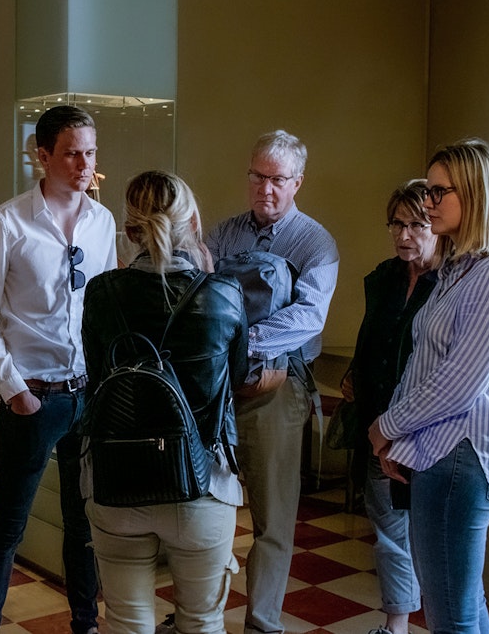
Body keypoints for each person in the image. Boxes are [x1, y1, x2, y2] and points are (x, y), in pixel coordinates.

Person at [0, 105, 117, 634]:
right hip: (33, 396)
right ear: (43, 155)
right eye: (73, 152)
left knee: (83, 526)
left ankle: (85, 624)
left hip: (87, 396)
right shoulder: (9, 221)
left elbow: (105, 308)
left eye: (91, 152)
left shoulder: (103, 222)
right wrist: (13, 391)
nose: (84, 163)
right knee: (8, 526)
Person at [80, 170, 248, 634]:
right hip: (203, 483)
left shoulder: (101, 293)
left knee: (126, 622)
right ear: (192, 221)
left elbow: (98, 381)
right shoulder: (224, 295)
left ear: (129, 230)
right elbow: (233, 382)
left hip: (116, 479)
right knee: (201, 621)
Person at [369, 138, 489, 633]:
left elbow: (459, 383)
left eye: (438, 192)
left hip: (462, 456)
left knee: (450, 617)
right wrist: (402, 438)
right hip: (439, 450)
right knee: (462, 605)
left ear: (475, 193)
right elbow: (425, 366)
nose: (427, 202)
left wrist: (386, 425)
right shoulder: (462, 267)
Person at [205, 129, 339, 634]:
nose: (265, 188)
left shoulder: (315, 242)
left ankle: (262, 624)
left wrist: (241, 339)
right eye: (258, 176)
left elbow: (309, 317)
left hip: (279, 387)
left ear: (297, 182)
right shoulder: (220, 235)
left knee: (273, 518)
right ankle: (202, 615)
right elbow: (200, 294)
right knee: (205, 505)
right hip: (218, 386)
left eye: (277, 179)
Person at [340, 179, 442, 634]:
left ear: (438, 226)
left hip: (434, 431)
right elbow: (374, 341)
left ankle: (444, 621)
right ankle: (396, 624)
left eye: (417, 224)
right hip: (379, 424)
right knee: (390, 534)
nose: (404, 235)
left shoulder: (453, 283)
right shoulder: (383, 278)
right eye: (397, 224)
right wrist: (354, 376)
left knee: (436, 540)